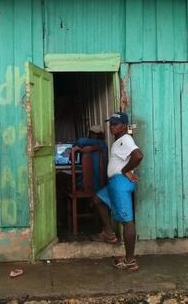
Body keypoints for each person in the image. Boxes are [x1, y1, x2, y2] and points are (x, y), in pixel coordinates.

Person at [92, 112, 143, 271]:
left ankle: (130, 261)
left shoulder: (126, 139)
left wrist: (125, 169)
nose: (112, 126)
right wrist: (124, 169)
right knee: (97, 199)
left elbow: (138, 155)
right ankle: (109, 233)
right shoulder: (119, 141)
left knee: (127, 221)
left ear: (124, 125)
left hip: (120, 183)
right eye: (111, 123)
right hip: (115, 183)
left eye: (115, 124)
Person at [75, 125, 108, 191]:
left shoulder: (101, 143)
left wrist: (76, 147)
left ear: (100, 135)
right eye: (92, 133)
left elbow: (80, 141)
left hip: (97, 184)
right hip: (99, 184)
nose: (93, 135)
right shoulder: (99, 144)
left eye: (96, 134)